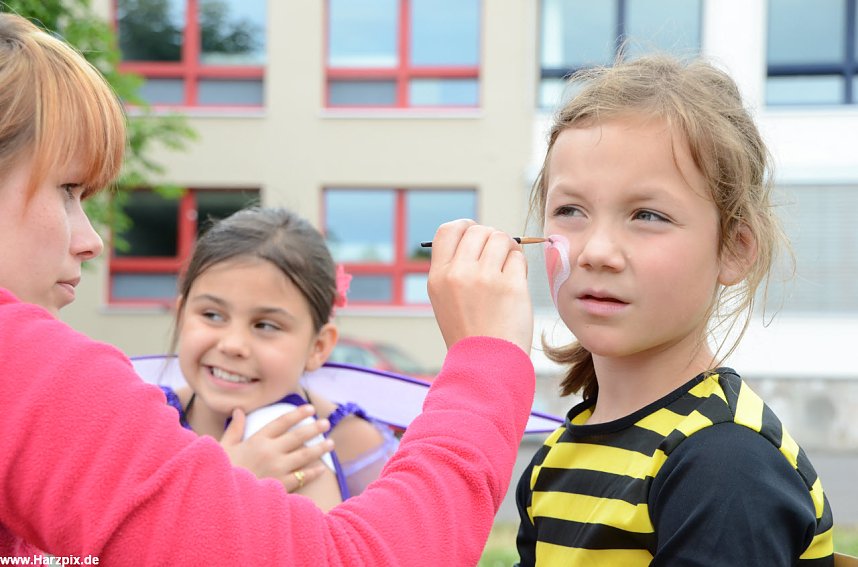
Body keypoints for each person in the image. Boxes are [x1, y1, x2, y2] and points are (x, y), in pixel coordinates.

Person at [0, 11, 536, 565]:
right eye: (67, 189)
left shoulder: (340, 434)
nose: (92, 241)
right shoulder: (27, 371)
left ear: (320, 344)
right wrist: (488, 358)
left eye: (265, 324)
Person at [514, 54, 835, 566]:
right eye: (570, 210)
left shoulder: (725, 464)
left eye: (647, 215)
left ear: (733, 249)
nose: (597, 250)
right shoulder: (559, 451)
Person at [163, 206, 398, 510]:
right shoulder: (149, 425)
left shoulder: (351, 442)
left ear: (318, 347)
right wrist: (225, 484)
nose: (233, 345)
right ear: (182, 315)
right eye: (212, 315)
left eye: (265, 325)